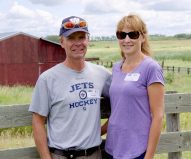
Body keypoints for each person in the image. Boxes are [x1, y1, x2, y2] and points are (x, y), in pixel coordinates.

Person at [29, 16, 111, 159]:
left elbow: (124, 100)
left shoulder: (102, 74)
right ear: (62, 42)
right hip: (62, 155)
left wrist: (99, 131)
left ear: (88, 40)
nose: (78, 43)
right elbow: (37, 121)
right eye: (71, 38)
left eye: (82, 37)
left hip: (95, 154)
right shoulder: (48, 79)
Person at [102, 14, 165, 159]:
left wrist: (148, 156)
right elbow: (118, 110)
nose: (127, 39)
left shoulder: (151, 68)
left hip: (137, 150)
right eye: (121, 35)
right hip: (113, 148)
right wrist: (97, 132)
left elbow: (158, 116)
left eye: (133, 34)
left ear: (143, 37)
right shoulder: (117, 68)